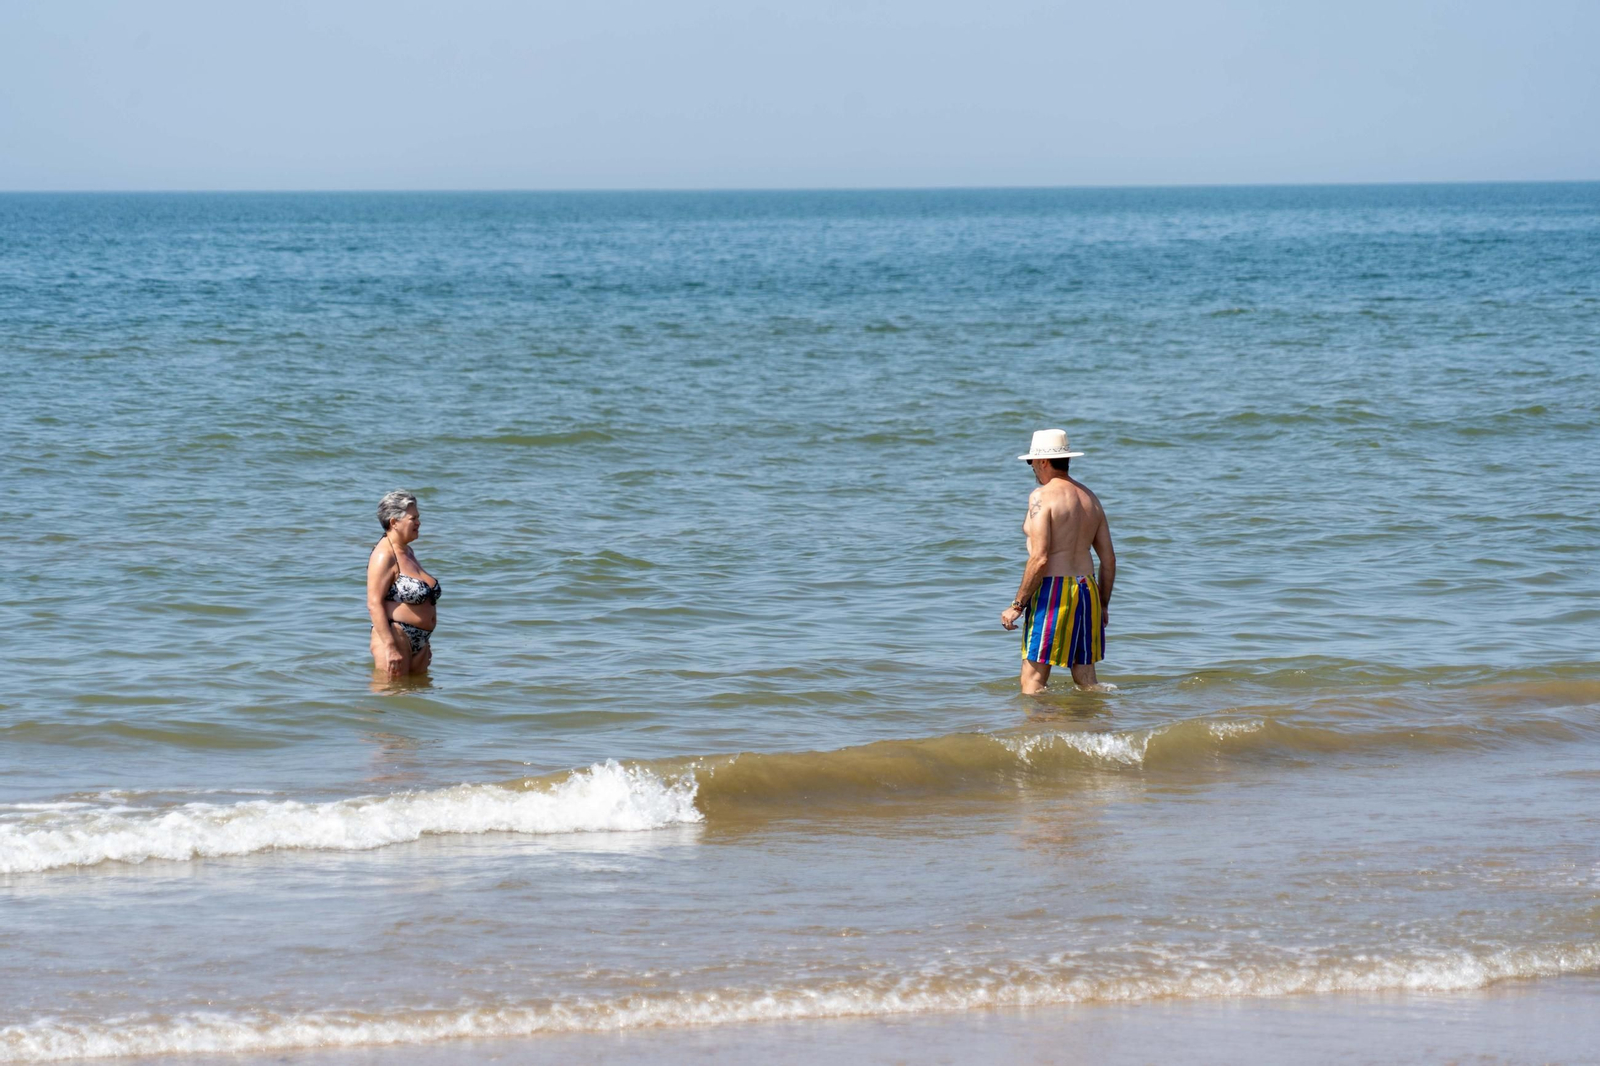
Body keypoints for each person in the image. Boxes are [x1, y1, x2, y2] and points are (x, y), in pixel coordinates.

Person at [999, 430, 1116, 693]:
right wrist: (1104, 604)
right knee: (1086, 681)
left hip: (1053, 593)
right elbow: (1108, 559)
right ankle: (1093, 730)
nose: (1032, 470)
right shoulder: (1090, 498)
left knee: (1033, 681)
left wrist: (1017, 605)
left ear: (1043, 462)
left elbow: (1040, 558)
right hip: (1087, 591)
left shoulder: (1042, 496)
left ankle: (1044, 734)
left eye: (1031, 463)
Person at [367, 490, 441, 677]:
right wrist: (390, 647)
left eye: (418, 517)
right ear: (394, 522)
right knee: (390, 698)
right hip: (395, 637)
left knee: (414, 701)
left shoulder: (407, 551)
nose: (418, 523)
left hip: (420, 641)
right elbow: (374, 603)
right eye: (413, 518)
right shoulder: (384, 554)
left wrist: (425, 639)